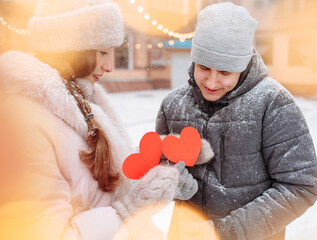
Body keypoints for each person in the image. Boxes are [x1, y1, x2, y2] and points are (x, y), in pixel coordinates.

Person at [0, 0, 199, 239]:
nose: (110, 66)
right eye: (103, 52)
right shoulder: (23, 124)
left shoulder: (79, 100)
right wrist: (127, 212)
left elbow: (94, 175)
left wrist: (159, 158)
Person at [156, 2, 317, 240]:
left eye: (225, 72)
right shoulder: (173, 104)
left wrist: (225, 231)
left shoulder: (273, 104)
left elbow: (301, 186)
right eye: (203, 67)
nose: (211, 83)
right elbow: (161, 163)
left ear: (242, 67)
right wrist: (171, 181)